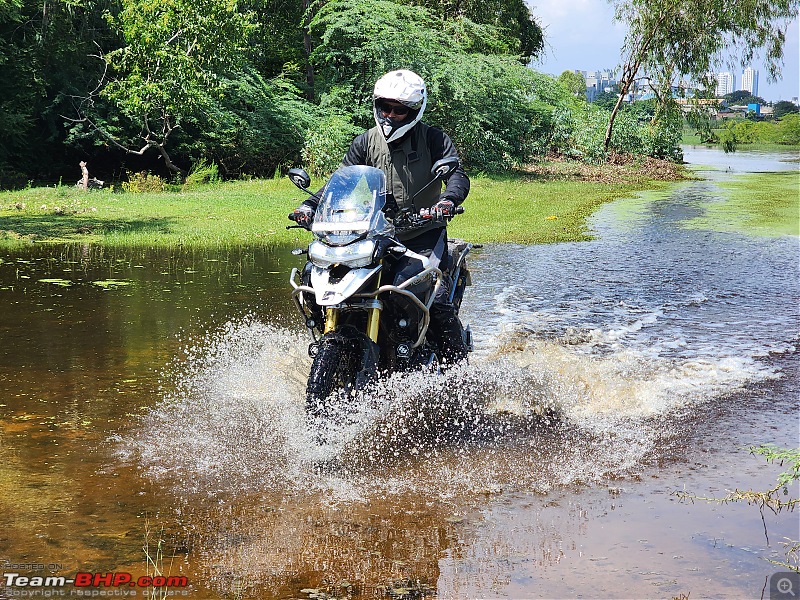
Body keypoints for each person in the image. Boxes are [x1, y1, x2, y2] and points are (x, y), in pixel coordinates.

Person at [292, 69, 471, 364]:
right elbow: (342, 181)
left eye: (399, 111)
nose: (389, 115)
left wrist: (447, 201)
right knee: (318, 279)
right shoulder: (365, 142)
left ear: (414, 111)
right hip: (379, 233)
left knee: (434, 299)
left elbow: (456, 176)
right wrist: (310, 206)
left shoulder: (433, 139)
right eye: (385, 107)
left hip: (423, 233)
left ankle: (458, 372)